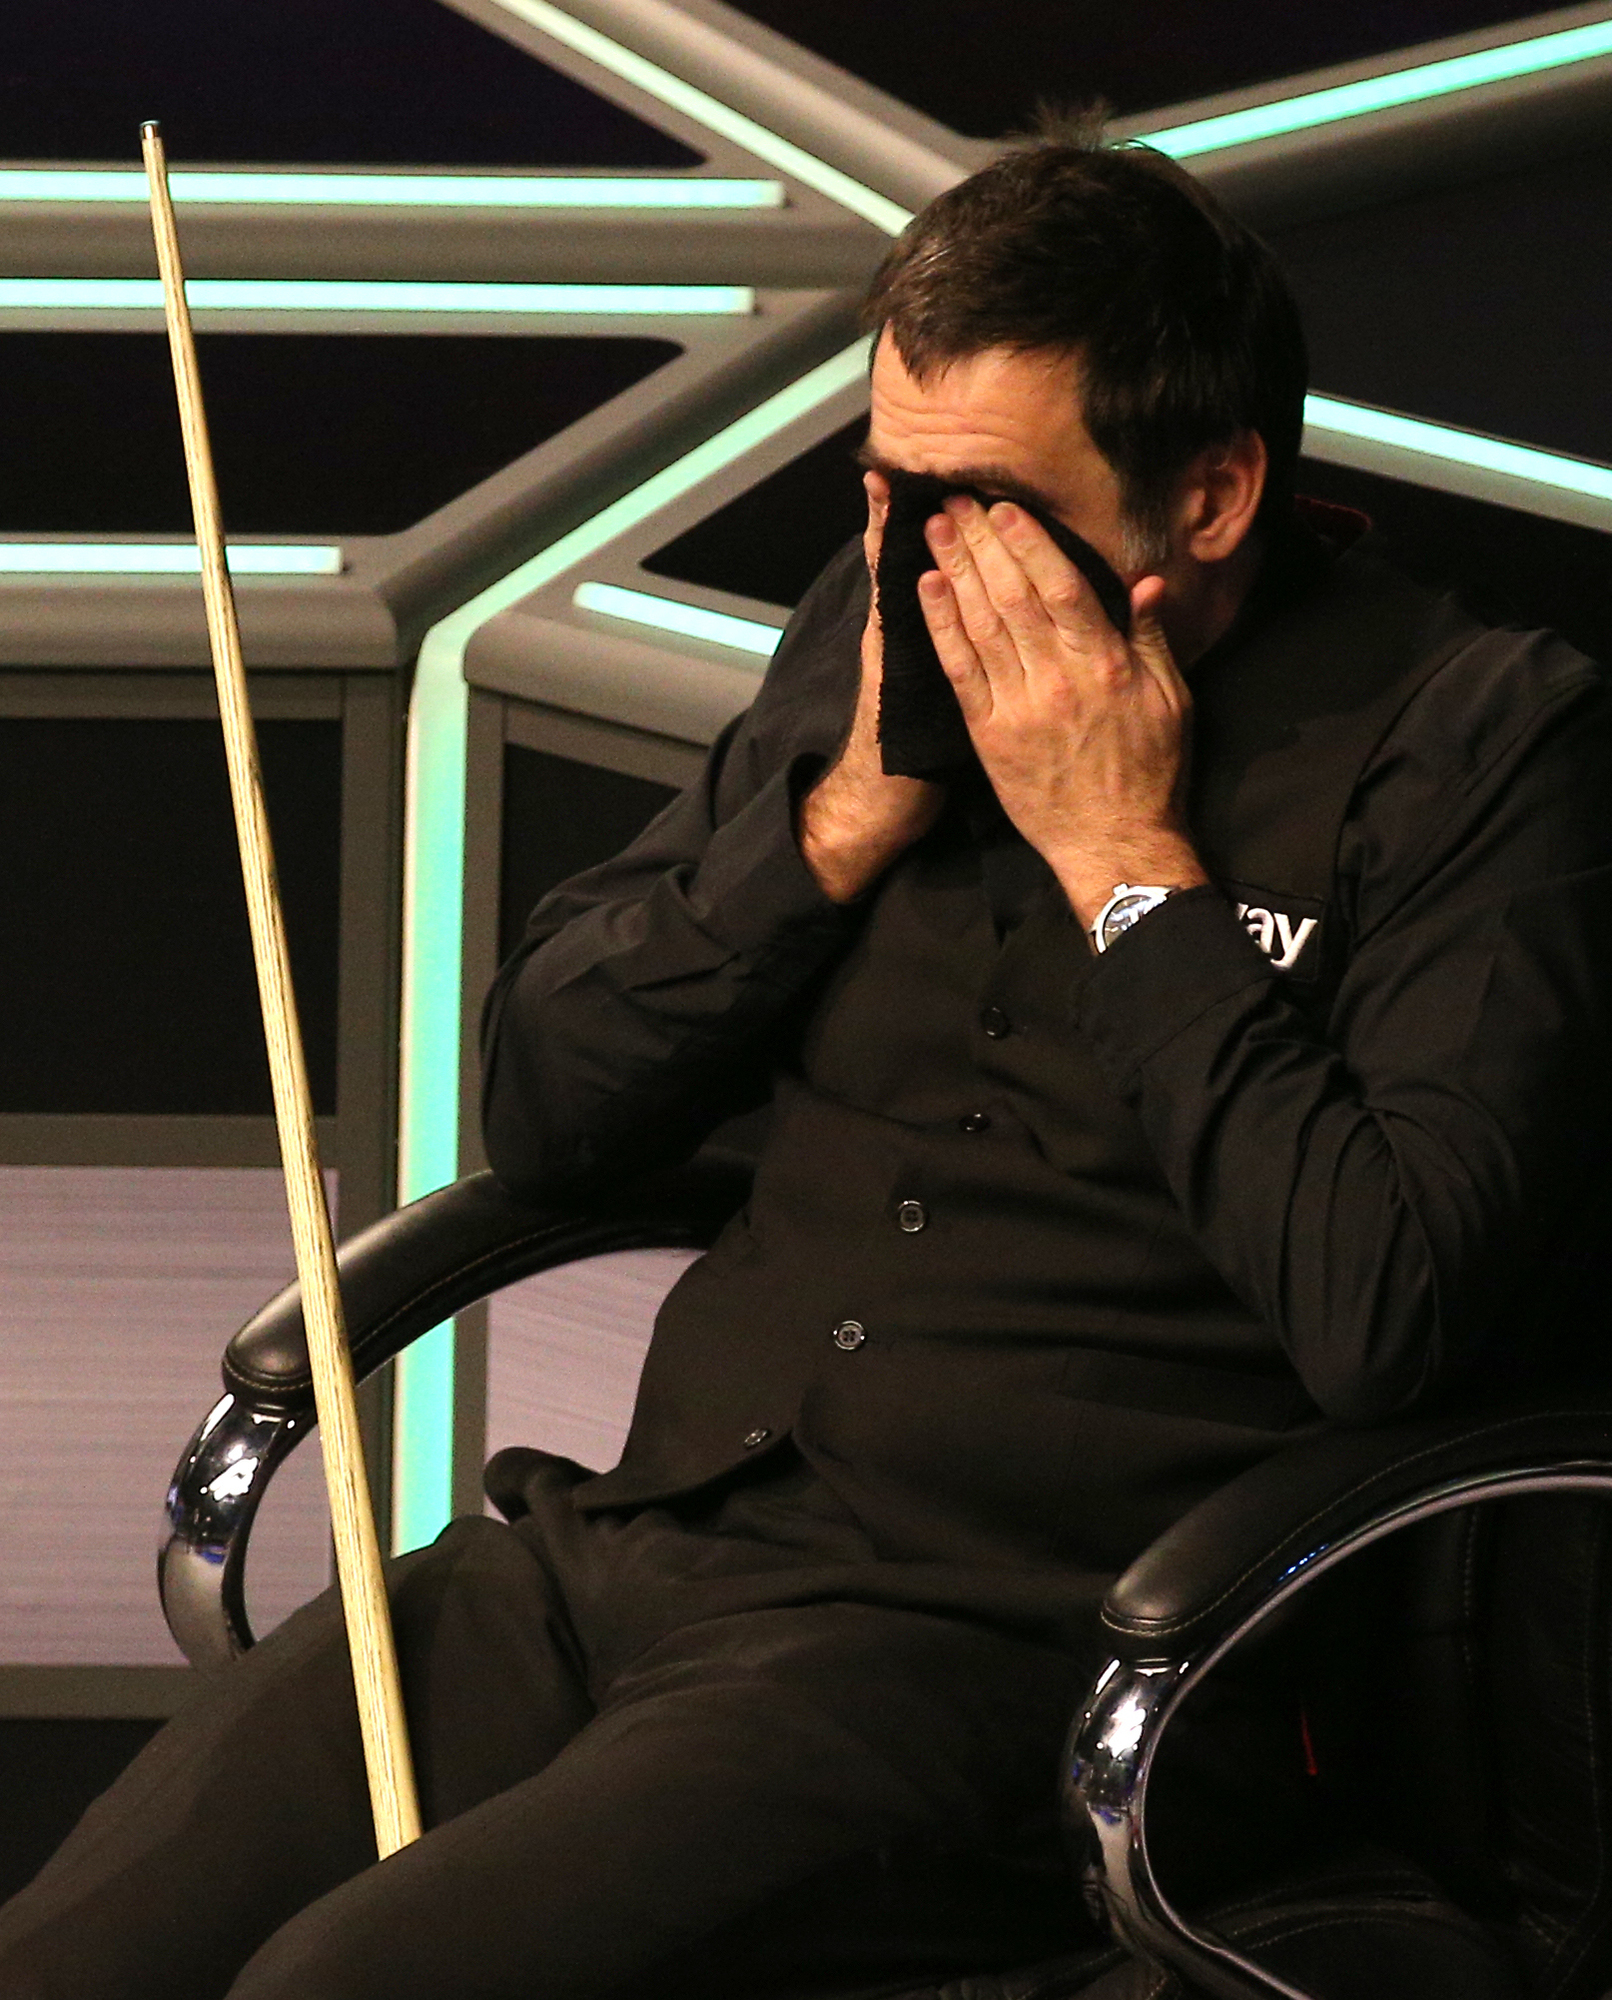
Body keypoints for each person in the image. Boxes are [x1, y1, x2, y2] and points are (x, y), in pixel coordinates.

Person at [3, 131, 1610, 2000]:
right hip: (620, 1552)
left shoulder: (1484, 749)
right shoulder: (876, 628)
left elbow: (1387, 1313)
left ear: (1212, 493)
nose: (926, 560)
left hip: (993, 1653)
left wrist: (1126, 866)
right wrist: (838, 820)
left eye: (986, 507)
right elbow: (548, 1105)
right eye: (888, 488)